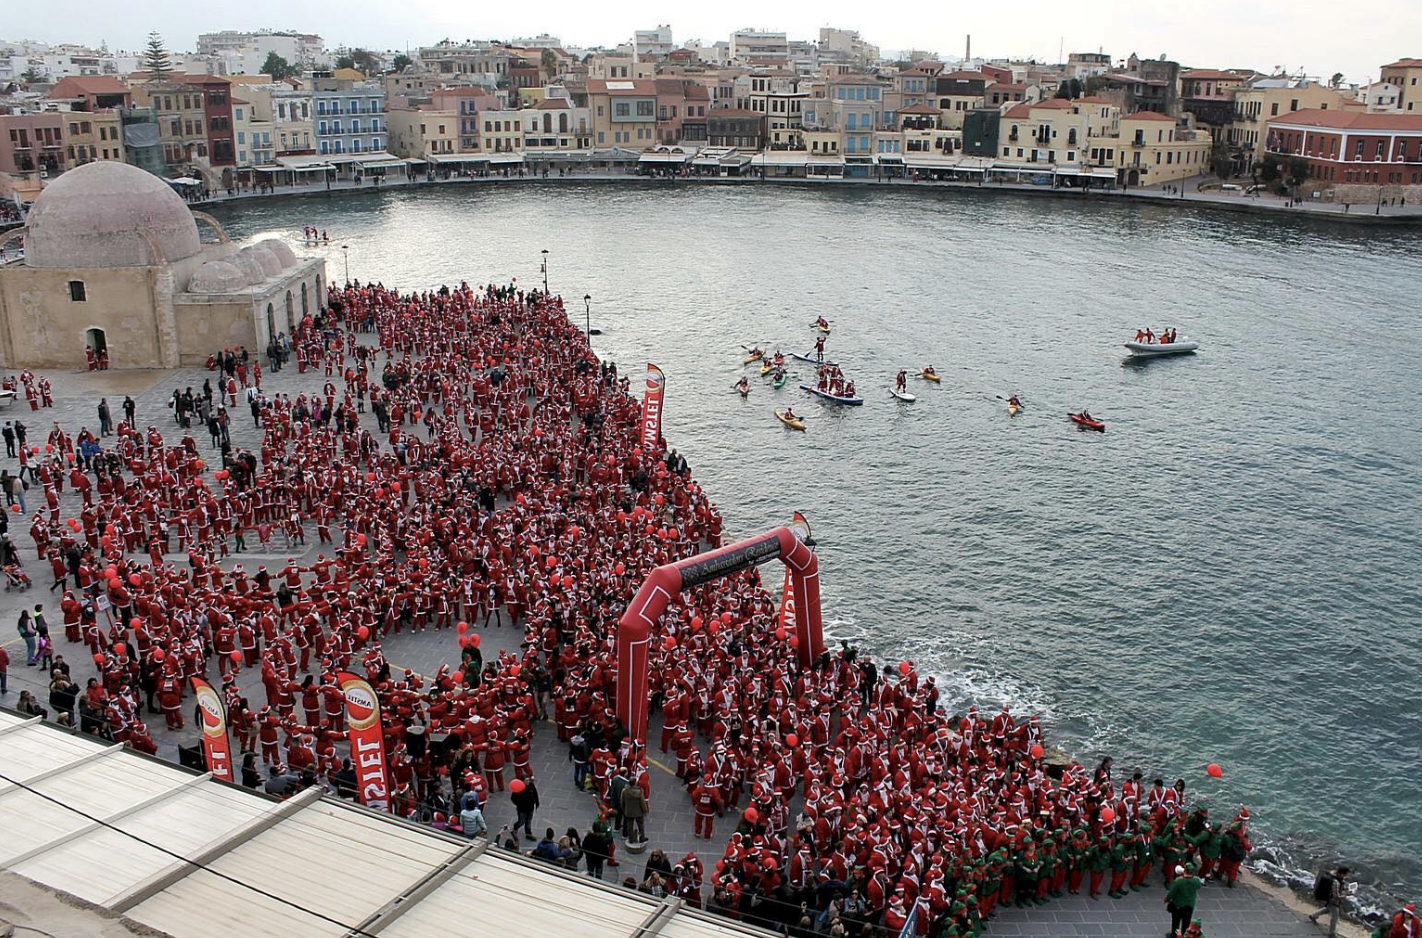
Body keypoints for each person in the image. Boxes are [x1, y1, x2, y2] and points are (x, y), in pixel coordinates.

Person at [1309, 866, 1350, 937]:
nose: (1346, 876)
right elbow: (1336, 896)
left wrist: (1345, 891)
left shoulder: (1334, 876)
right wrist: (1346, 895)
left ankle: (1313, 916)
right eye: (1345, 874)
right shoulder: (1336, 882)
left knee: (1327, 909)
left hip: (1329, 900)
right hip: (1333, 901)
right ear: (1342, 874)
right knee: (1335, 917)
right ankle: (1331, 933)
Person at [1165, 864, 1202, 936]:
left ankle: (1174, 935)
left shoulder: (1179, 881)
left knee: (1176, 921)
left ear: (1185, 870)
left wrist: (1167, 899)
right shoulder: (1196, 881)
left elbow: (1172, 892)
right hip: (1190, 904)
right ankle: (1184, 935)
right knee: (1186, 922)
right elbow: (1198, 886)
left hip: (1178, 904)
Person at [511, 776, 540, 840]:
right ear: (522, 781)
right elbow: (513, 798)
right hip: (522, 810)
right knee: (521, 821)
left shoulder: (531, 785)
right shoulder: (518, 788)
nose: (528, 782)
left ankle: (528, 834)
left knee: (528, 822)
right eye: (526, 780)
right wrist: (520, 804)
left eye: (528, 780)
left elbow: (535, 793)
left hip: (530, 808)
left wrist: (537, 802)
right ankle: (515, 828)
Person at [621, 776, 648, 843]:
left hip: (629, 811)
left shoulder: (624, 791)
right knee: (640, 825)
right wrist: (645, 810)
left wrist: (624, 809)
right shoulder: (639, 792)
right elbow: (642, 802)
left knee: (629, 826)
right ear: (635, 783)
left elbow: (622, 801)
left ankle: (631, 839)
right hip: (639, 812)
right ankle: (642, 838)